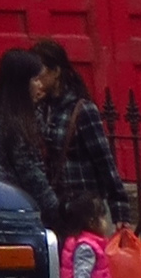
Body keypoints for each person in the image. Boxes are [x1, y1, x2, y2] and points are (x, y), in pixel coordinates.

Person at [33, 39, 130, 225]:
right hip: (55, 206)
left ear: (56, 72)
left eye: (40, 71)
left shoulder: (82, 110)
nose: (36, 79)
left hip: (84, 208)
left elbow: (104, 162)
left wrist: (120, 210)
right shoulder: (41, 108)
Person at [0, 48, 57, 216]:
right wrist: (55, 208)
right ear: (22, 83)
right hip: (16, 207)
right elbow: (29, 171)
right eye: (36, 79)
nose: (40, 85)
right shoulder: (13, 123)